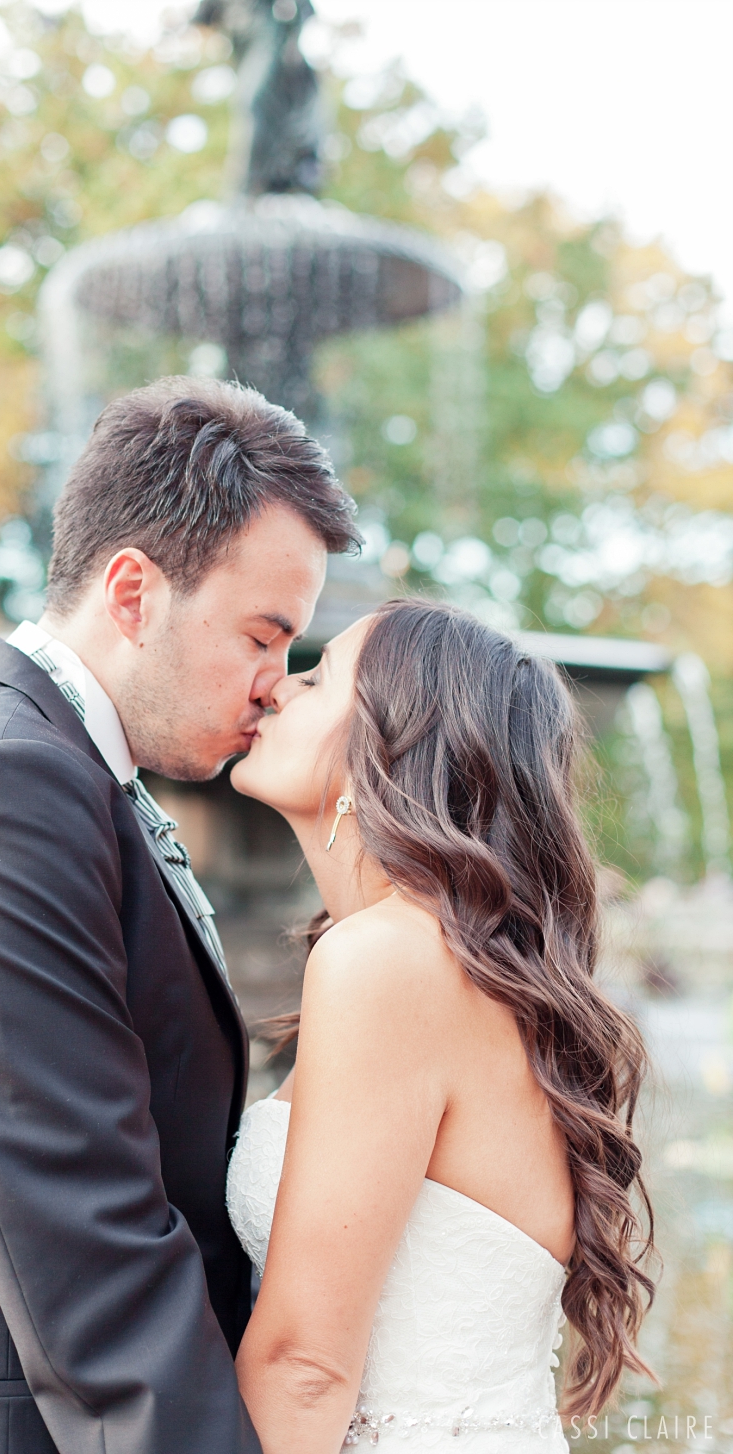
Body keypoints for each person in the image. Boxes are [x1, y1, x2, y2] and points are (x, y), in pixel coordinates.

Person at [0, 376, 358, 1454]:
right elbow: (92, 1255)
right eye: (261, 633)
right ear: (132, 591)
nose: (272, 682)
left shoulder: (61, 773)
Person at [227, 598, 656, 1453]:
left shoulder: (385, 964)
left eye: (315, 678)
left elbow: (304, 1365)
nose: (276, 687)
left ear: (390, 746)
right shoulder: (448, 965)